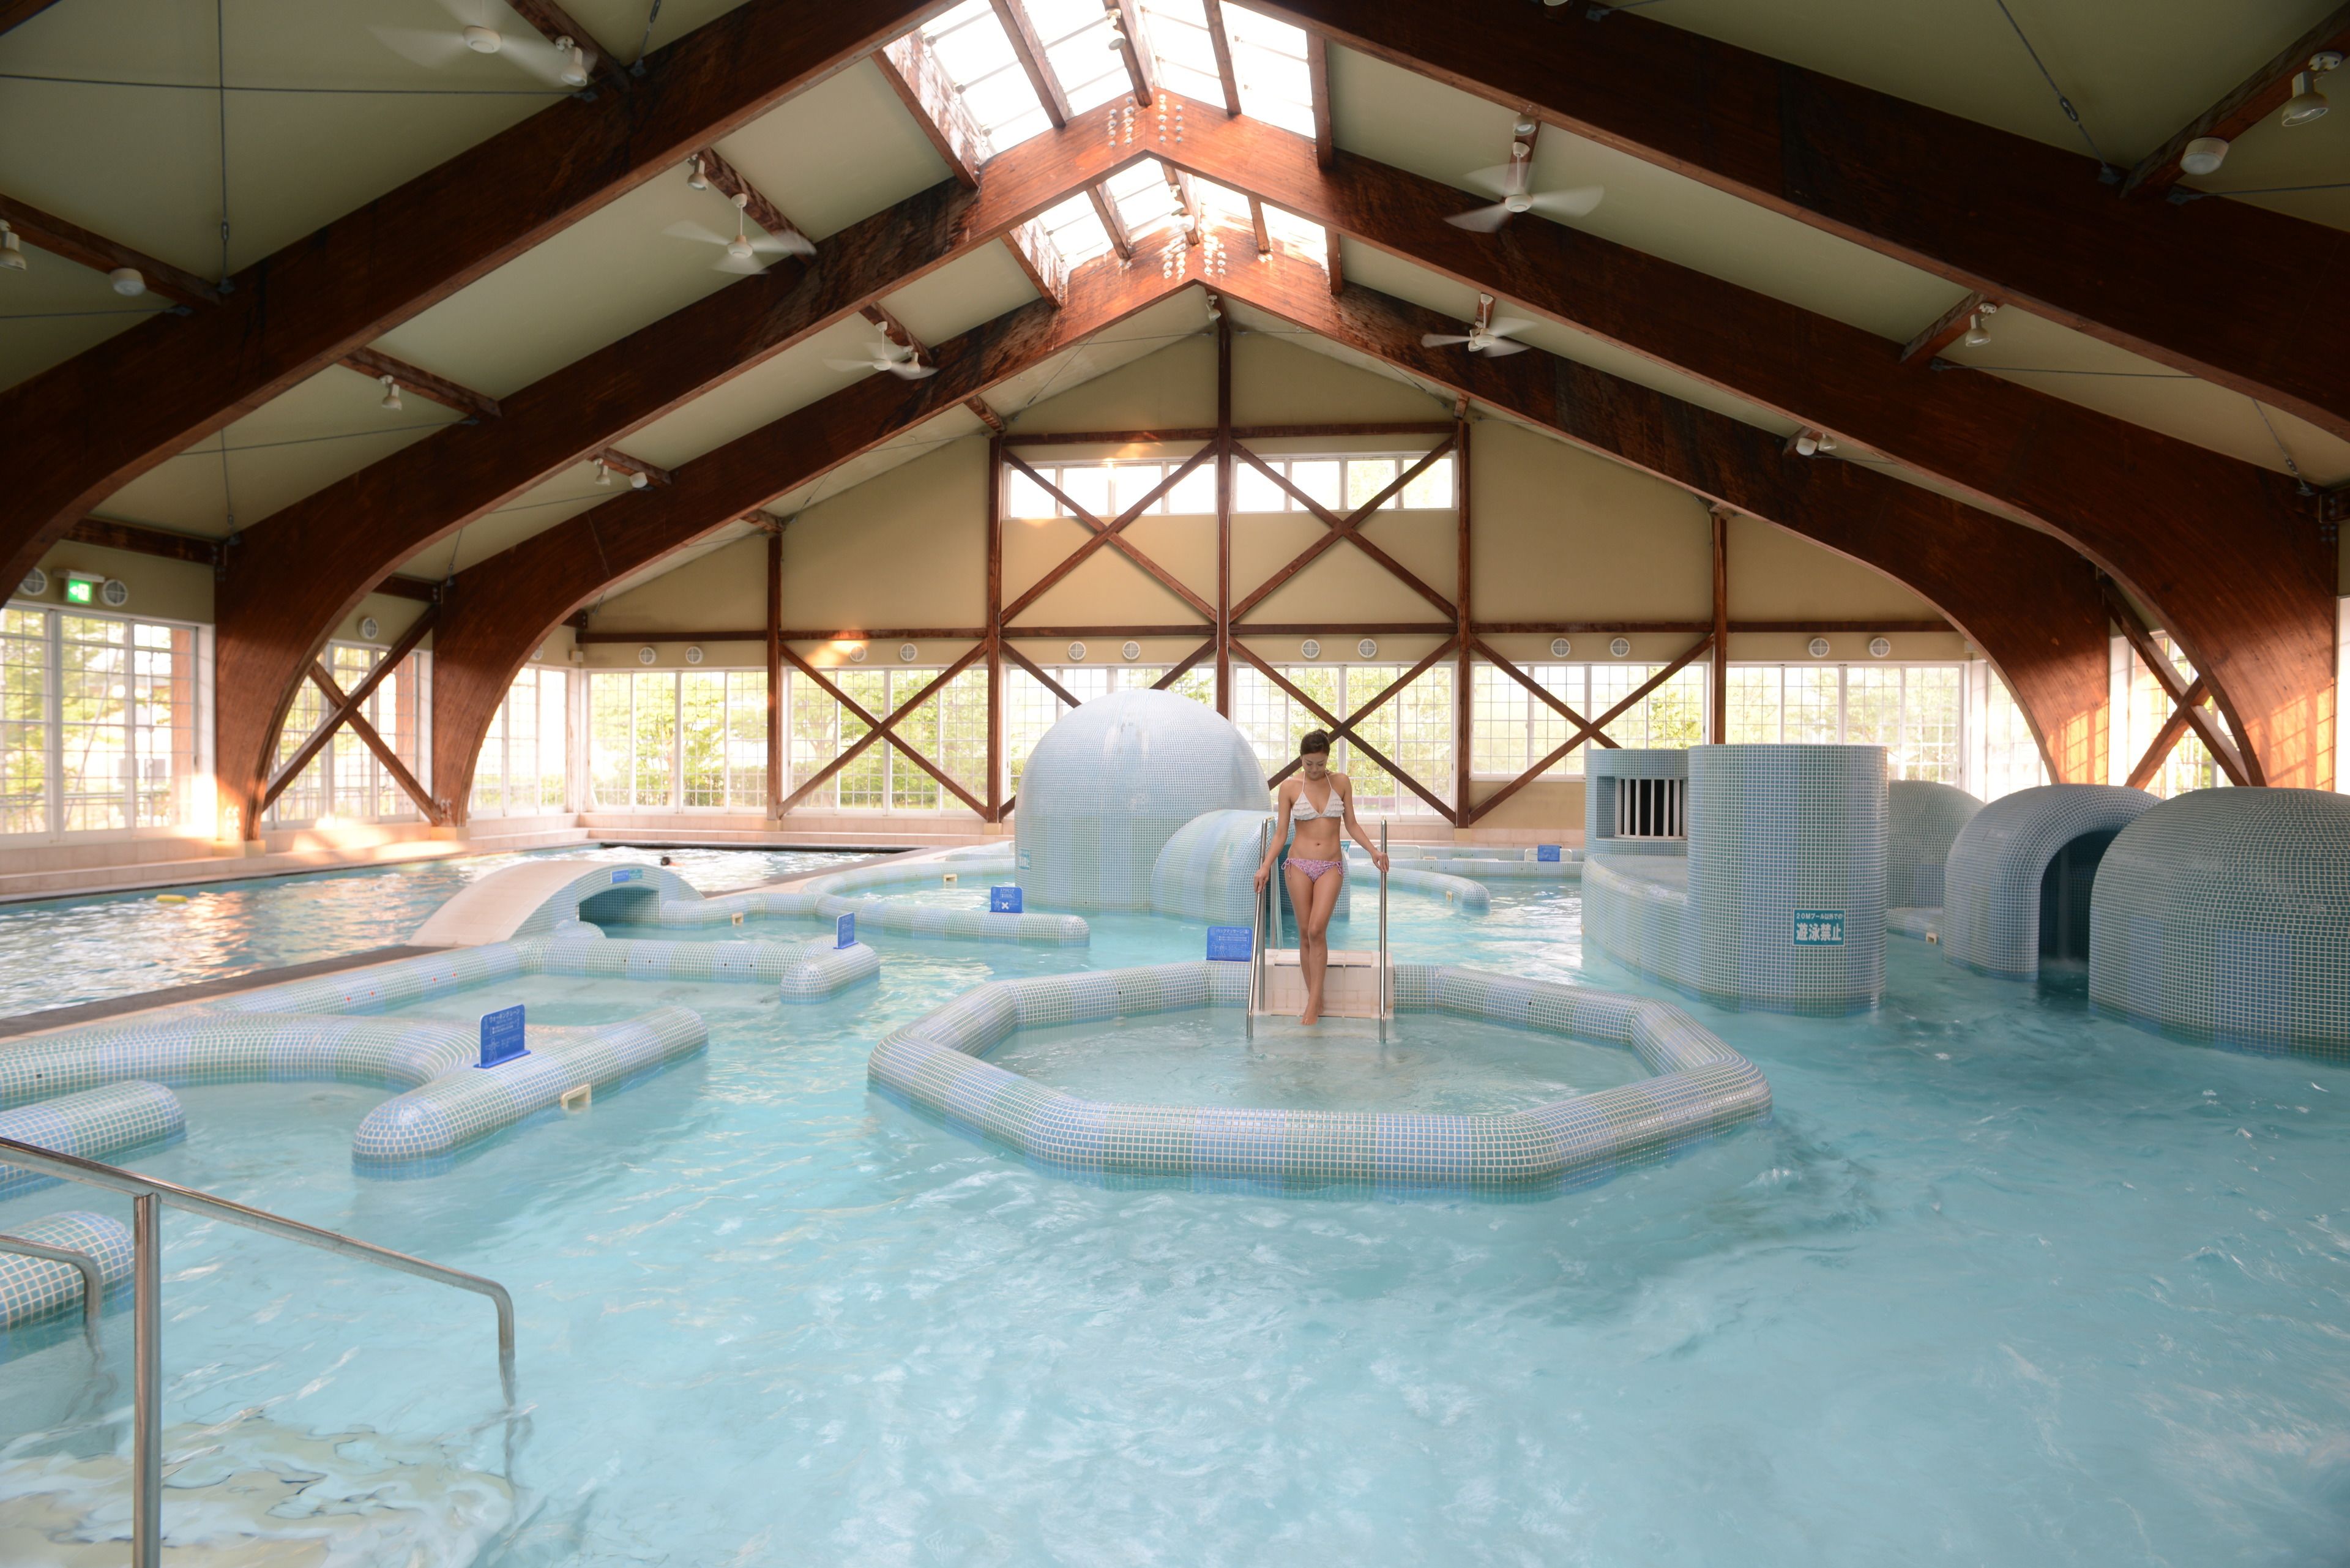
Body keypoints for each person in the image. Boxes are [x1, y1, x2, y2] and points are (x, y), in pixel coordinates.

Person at [1254, 730, 1389, 1025]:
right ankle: (1316, 998)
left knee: (1317, 930)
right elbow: (1280, 835)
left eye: (1320, 763)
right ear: (1300, 759)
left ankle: (1313, 1005)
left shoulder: (1340, 782)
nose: (1314, 770)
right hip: (1298, 865)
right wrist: (1265, 866)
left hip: (1330, 865)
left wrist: (1374, 851)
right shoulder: (1290, 788)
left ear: (1328, 759)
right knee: (1304, 934)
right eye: (1308, 763)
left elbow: (1351, 824)